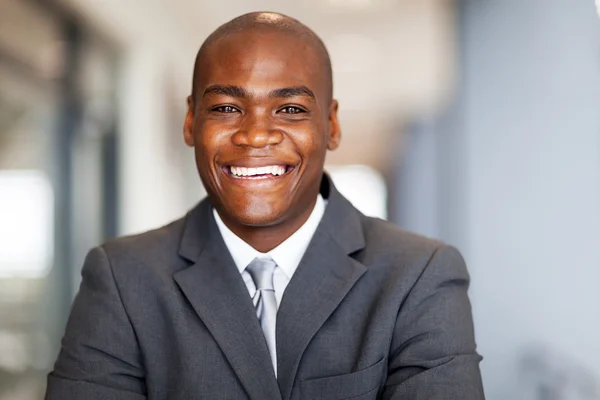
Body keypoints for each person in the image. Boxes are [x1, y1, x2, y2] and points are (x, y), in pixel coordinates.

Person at [45, 12, 485, 400]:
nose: (256, 135)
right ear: (190, 121)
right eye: (226, 107)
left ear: (331, 125)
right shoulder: (123, 278)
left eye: (290, 108)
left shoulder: (418, 275)